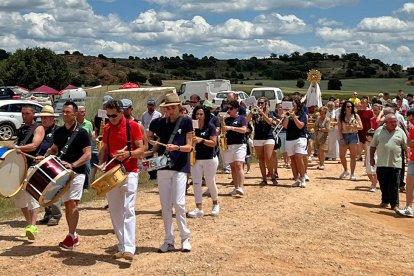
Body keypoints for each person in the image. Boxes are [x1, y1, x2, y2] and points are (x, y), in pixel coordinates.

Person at [36, 101, 91, 249]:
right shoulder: (59, 132)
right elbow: (54, 149)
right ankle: (74, 235)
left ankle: (70, 236)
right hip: (62, 174)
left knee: (72, 203)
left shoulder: (82, 133)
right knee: (67, 204)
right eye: (63, 112)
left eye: (68, 112)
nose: (65, 114)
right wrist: (45, 156)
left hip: (77, 172)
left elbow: (88, 154)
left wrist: (73, 165)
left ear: (75, 114)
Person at [99, 99, 144, 261]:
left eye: (114, 115)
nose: (111, 118)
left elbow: (142, 149)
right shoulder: (107, 128)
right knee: (115, 210)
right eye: (109, 115)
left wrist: (128, 154)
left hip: (129, 171)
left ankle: (130, 248)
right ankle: (122, 245)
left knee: (128, 208)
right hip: (112, 172)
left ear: (121, 112)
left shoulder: (133, 126)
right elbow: (104, 148)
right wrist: (101, 162)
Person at [149, 93, 193, 253]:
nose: (171, 110)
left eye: (173, 107)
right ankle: (168, 239)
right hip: (163, 166)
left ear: (179, 107)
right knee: (165, 205)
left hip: (180, 166)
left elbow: (190, 146)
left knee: (179, 203)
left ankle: (185, 237)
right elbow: (151, 139)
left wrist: (177, 148)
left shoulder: (186, 121)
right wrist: (150, 144)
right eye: (168, 108)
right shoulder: (160, 122)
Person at [10, 105, 45, 239]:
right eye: (23, 113)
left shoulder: (38, 128)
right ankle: (28, 225)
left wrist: (18, 147)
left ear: (33, 114)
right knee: (19, 198)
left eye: (27, 113)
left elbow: (34, 145)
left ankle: (33, 226)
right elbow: (17, 144)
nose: (24, 116)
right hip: (20, 166)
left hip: (32, 166)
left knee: (31, 196)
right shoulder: (22, 129)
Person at [187, 106, 219, 218]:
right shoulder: (192, 128)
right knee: (196, 183)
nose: (198, 116)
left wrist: (202, 140)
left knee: (210, 181)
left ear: (205, 115)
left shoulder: (210, 127)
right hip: (196, 158)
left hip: (209, 158)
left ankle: (215, 203)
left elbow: (214, 143)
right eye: (197, 114)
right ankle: (198, 208)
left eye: (201, 114)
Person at [370, 114, 407, 211]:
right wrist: (371, 158)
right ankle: (385, 200)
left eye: (395, 122)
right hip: (382, 162)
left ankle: (395, 204)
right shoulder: (379, 131)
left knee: (394, 185)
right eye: (391, 122)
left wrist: (407, 157)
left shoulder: (400, 131)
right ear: (385, 123)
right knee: (383, 183)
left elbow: (405, 146)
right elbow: (373, 146)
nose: (394, 124)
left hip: (396, 163)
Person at [36, 105, 62, 227]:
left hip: (52, 162)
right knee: (43, 190)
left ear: (52, 118)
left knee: (54, 189)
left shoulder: (57, 131)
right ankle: (47, 213)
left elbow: (56, 148)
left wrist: (46, 155)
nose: (44, 120)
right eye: (42, 117)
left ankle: (56, 215)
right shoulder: (39, 130)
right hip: (39, 162)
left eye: (47, 117)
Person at [247, 97, 277, 185]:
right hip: (258, 138)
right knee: (261, 159)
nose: (260, 105)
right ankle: (264, 179)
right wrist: (251, 111)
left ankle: (272, 175)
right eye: (259, 103)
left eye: (262, 103)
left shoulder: (270, 113)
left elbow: (270, 122)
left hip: (269, 137)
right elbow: (247, 120)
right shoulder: (255, 113)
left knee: (268, 158)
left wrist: (262, 113)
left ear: (266, 104)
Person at [221, 100, 248, 195]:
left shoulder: (241, 118)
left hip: (240, 144)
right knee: (233, 167)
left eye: (231, 108)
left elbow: (244, 130)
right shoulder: (226, 119)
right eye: (228, 108)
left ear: (236, 109)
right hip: (229, 144)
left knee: (239, 165)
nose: (229, 110)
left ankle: (240, 187)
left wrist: (231, 128)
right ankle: (236, 187)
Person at [282, 97, 308, 187]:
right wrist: (287, 116)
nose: (292, 106)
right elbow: (285, 126)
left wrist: (294, 117)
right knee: (292, 159)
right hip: (289, 138)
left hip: (300, 138)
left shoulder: (302, 114)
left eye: (293, 104)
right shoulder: (287, 114)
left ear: (297, 106)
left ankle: (303, 177)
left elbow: (300, 126)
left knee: (299, 157)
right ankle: (296, 179)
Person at [338, 100, 363, 181]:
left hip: (353, 135)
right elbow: (339, 129)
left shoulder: (356, 116)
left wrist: (352, 127)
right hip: (344, 135)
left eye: (351, 106)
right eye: (348, 106)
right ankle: (346, 170)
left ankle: (352, 173)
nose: (350, 108)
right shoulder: (341, 116)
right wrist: (342, 138)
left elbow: (361, 127)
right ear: (344, 107)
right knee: (342, 155)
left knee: (353, 156)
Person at [396, 109, 414, 217]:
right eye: (410, 120)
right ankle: (408, 207)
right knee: (410, 184)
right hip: (413, 159)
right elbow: (409, 143)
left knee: (410, 184)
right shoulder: (412, 127)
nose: (412, 122)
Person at [141, 99, 161, 179]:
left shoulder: (158, 114)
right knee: (148, 156)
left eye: (152, 105)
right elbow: (142, 125)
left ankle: (157, 172)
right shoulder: (144, 114)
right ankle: (151, 175)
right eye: (149, 105)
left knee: (157, 154)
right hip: (147, 137)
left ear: (154, 106)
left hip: (155, 137)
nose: (150, 107)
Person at [76, 106, 93, 189]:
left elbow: (90, 136)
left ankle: (86, 186)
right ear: (77, 113)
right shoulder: (74, 124)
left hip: (86, 149)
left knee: (87, 167)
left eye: (84, 111)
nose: (84, 113)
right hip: (76, 149)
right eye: (82, 112)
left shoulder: (89, 124)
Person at [357, 97, 374, 162]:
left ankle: (367, 159)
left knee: (367, 143)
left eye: (365, 103)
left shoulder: (370, 111)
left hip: (367, 129)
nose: (364, 104)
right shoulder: (359, 112)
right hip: (360, 129)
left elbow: (372, 120)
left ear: (367, 103)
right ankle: (359, 156)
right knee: (360, 143)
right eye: (362, 103)